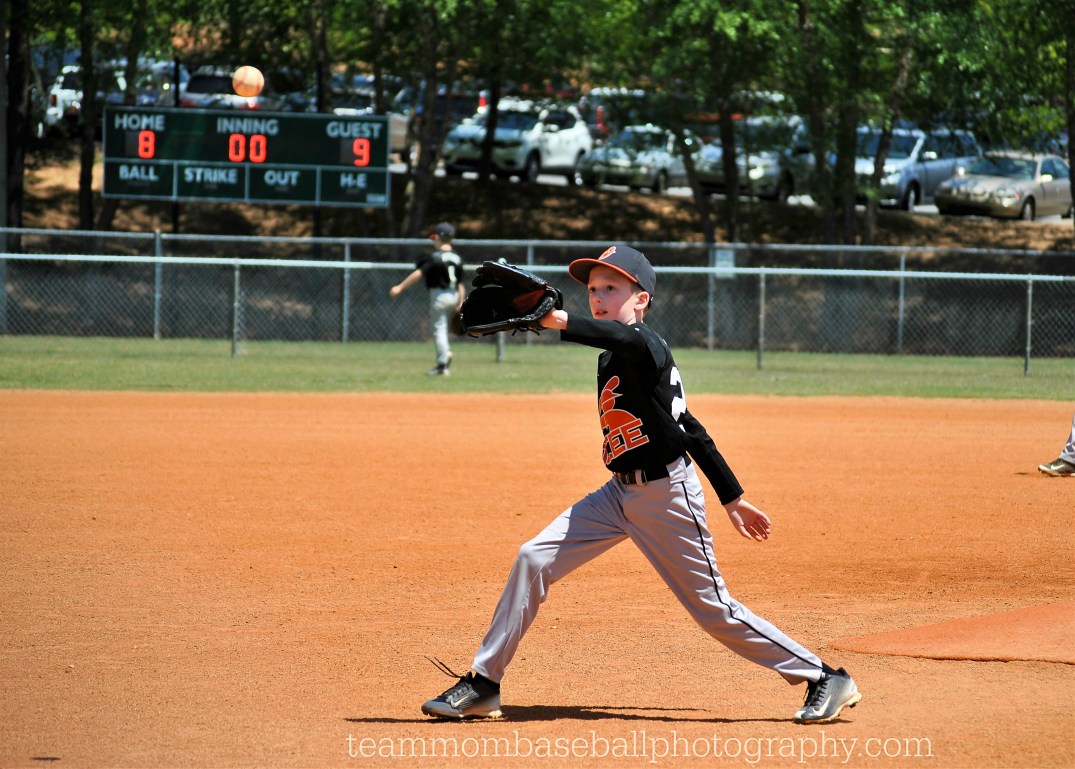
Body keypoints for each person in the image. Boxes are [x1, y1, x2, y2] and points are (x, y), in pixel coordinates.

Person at [421, 245, 862, 724]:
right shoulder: (612, 352)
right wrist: (734, 497)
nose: (599, 297)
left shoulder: (644, 344)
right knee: (533, 557)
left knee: (713, 610)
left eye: (612, 288)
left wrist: (557, 321)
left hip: (667, 497)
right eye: (592, 289)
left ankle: (824, 677)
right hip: (617, 496)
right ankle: (485, 683)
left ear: (642, 298)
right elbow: (687, 424)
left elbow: (625, 343)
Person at [389, 222, 465, 376]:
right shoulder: (457, 258)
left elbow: (418, 274)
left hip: (439, 296)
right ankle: (445, 353)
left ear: (438, 238)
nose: (433, 241)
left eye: (434, 238)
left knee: (439, 329)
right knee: (444, 328)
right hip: (454, 295)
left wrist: (400, 287)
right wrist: (461, 302)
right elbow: (461, 284)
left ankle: (443, 363)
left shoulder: (434, 257)